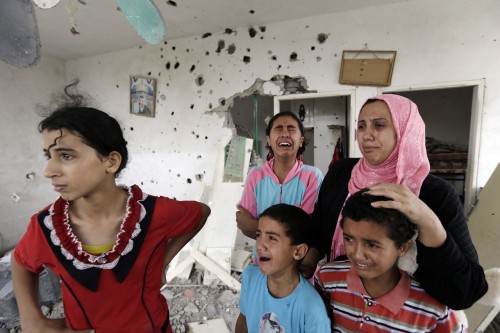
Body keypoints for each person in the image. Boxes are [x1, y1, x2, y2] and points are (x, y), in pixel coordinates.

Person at [10, 84, 211, 333]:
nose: (49, 171)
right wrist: (31, 319)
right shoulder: (46, 227)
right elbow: (21, 262)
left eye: (66, 155)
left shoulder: (153, 214)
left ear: (111, 161)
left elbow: (201, 212)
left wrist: (163, 262)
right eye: (48, 156)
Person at [307, 93, 487, 309]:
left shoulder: (434, 192)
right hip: (343, 303)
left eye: (379, 125)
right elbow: (319, 226)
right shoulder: (342, 173)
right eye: (362, 126)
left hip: (403, 316)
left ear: (404, 130)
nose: (366, 135)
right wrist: (308, 259)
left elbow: (467, 291)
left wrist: (424, 218)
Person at [315, 189, 465, 332]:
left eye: (372, 245)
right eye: (349, 239)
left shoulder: (433, 309)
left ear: (403, 247)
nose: (357, 254)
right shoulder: (327, 279)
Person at [236, 111, 323, 255]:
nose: (285, 133)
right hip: (262, 260)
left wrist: (254, 225)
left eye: (291, 128)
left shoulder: (312, 176)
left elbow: (305, 229)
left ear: (301, 140)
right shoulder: (255, 176)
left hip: (296, 265)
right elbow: (243, 227)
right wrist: (285, 231)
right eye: (278, 129)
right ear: (269, 140)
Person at [235, 204, 331, 333]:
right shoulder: (250, 277)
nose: (260, 246)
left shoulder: (312, 308)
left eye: (272, 238)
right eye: (259, 235)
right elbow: (243, 320)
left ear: (298, 252)